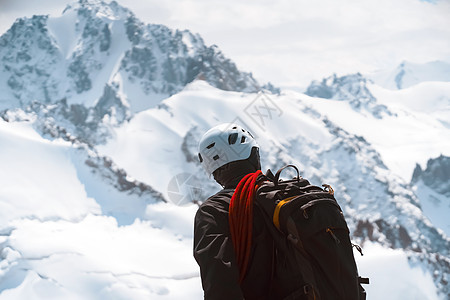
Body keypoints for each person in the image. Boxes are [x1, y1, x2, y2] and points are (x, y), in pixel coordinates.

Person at [193, 123, 275, 300]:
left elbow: (220, 286)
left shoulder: (214, 211)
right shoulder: (287, 198)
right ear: (253, 155)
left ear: (214, 172)